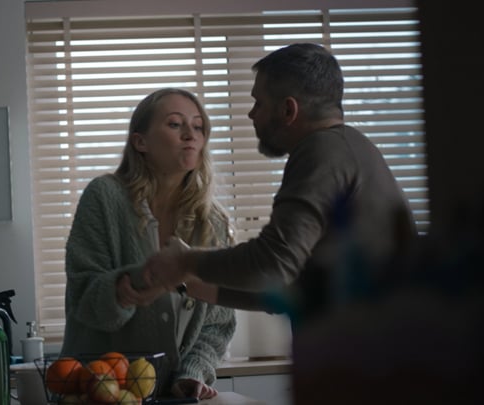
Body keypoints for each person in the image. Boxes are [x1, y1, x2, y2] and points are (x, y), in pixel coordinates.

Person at [142, 43, 418, 331]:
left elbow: (272, 263)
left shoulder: (321, 152)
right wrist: (185, 282)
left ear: (288, 110)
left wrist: (185, 261)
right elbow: (291, 285)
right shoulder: (352, 148)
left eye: (258, 103)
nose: (251, 114)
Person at [60, 88, 237, 400]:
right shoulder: (104, 197)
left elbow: (217, 326)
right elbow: (84, 296)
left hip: (173, 396)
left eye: (198, 126)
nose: (190, 134)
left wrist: (192, 374)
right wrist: (126, 288)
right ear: (140, 142)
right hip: (95, 392)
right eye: (175, 124)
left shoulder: (213, 222)